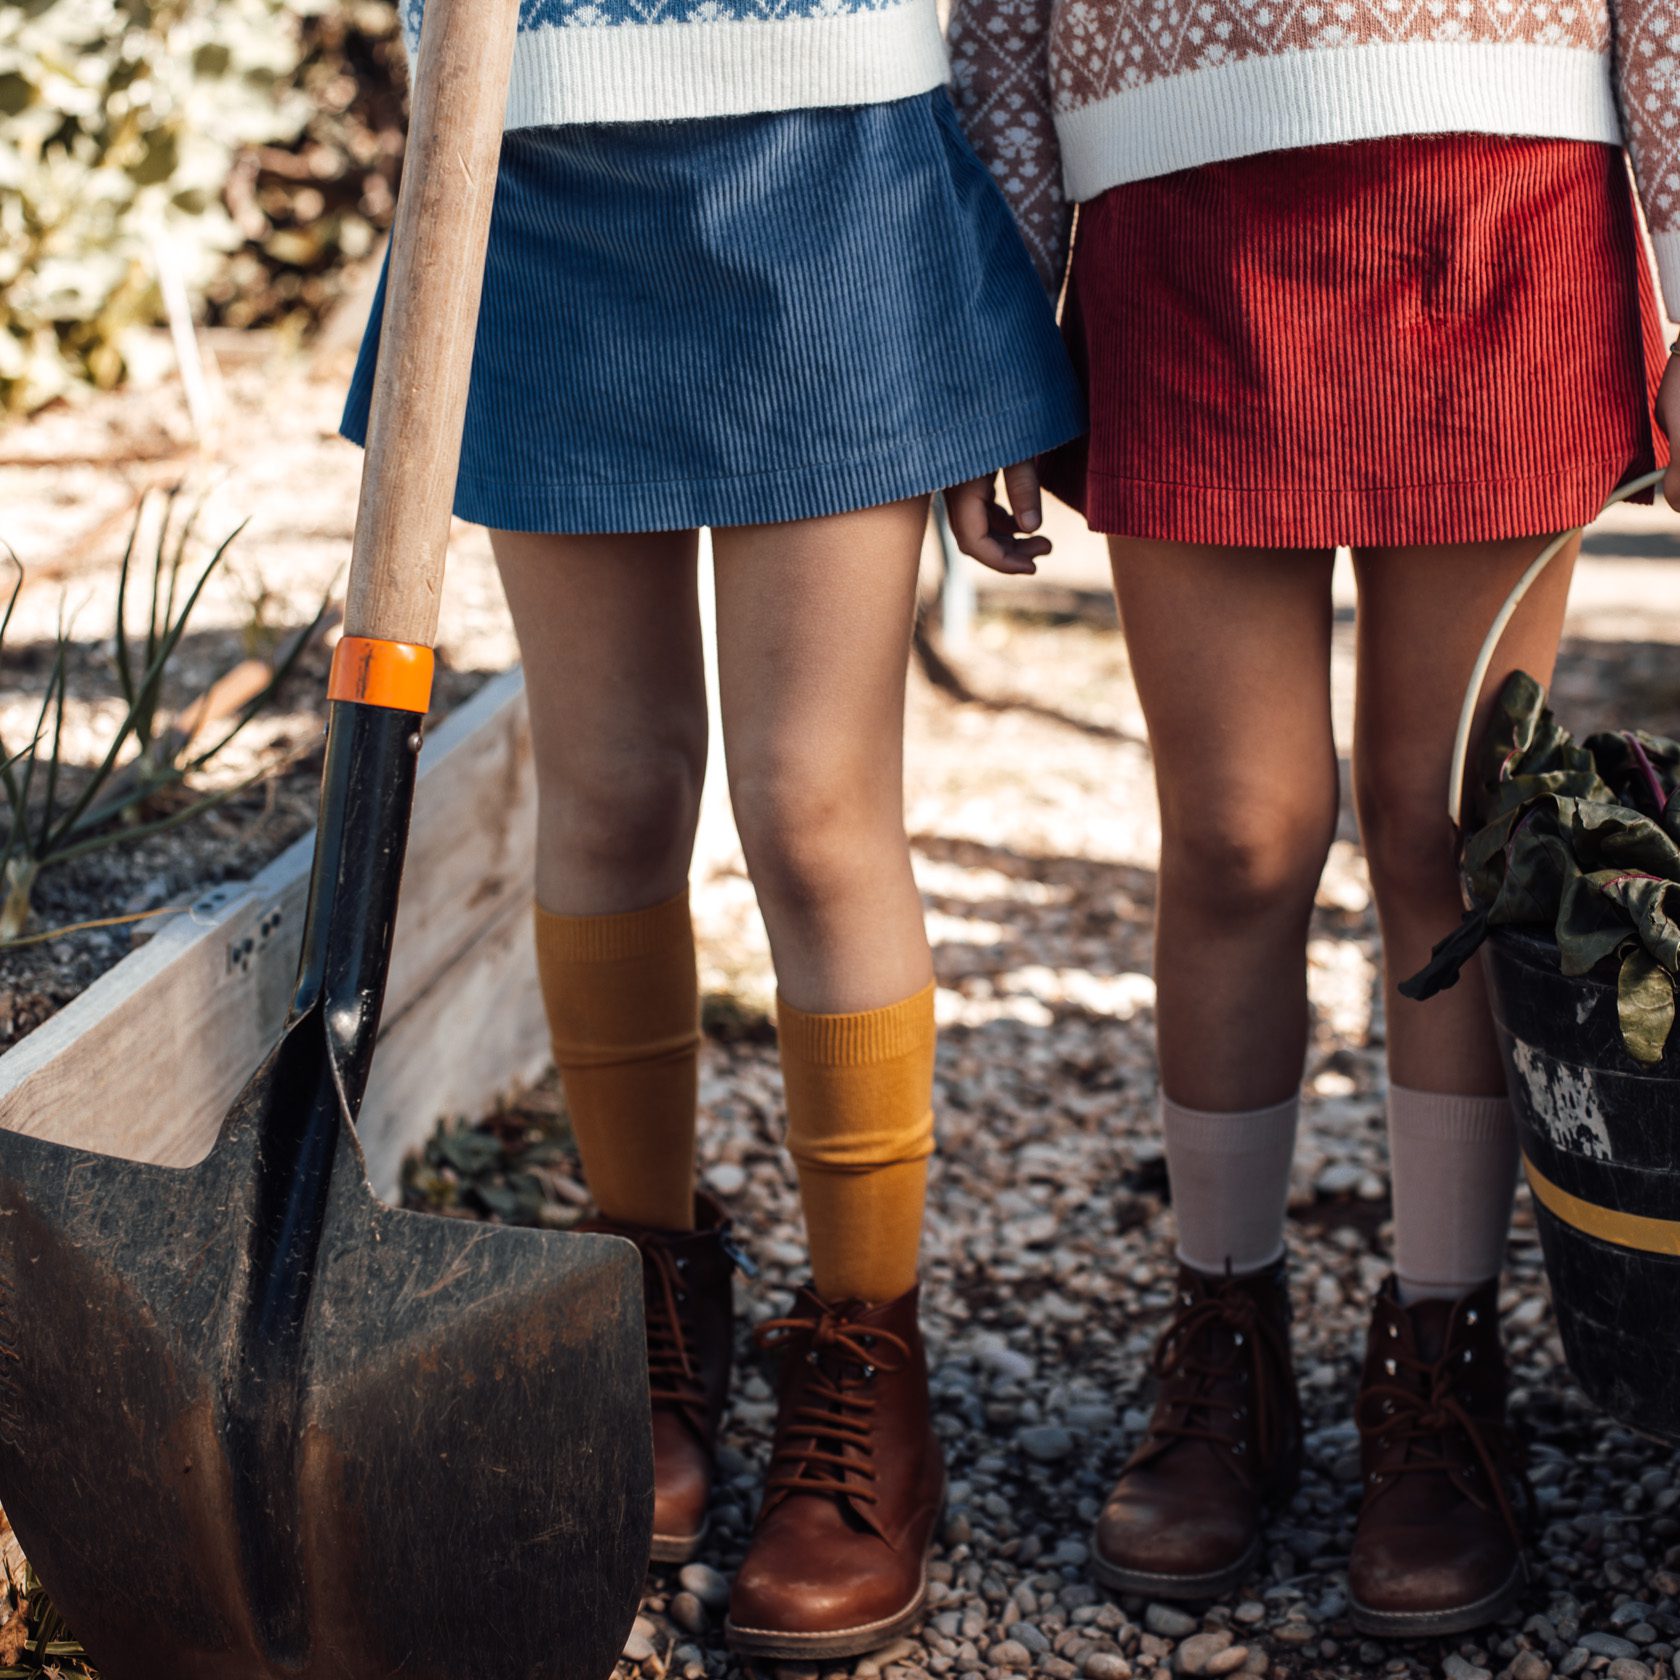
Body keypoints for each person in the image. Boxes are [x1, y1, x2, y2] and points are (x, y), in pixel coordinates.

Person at [341, 0, 1081, 1657]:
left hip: (835, 151)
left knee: (815, 811)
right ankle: (647, 1302)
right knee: (606, 792)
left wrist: (994, 307)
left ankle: (867, 1355)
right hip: (528, 151)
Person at [944, 7, 1680, 1637]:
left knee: (1450, 835)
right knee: (1235, 837)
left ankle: (1445, 1354)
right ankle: (1227, 1340)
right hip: (1176, 192)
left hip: (1502, 180)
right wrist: (994, 304)